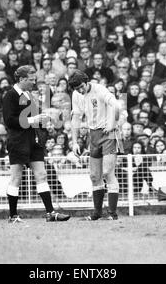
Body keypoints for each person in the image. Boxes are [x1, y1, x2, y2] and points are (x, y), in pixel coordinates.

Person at [2, 65, 70, 223]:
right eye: (31, 80)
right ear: (21, 79)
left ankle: (50, 213)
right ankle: (12, 215)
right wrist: (33, 119)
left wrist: (44, 122)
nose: (33, 83)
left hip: (33, 141)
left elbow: (34, 117)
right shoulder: (10, 96)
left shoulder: (28, 95)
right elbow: (9, 121)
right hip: (18, 142)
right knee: (16, 178)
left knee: (42, 175)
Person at [69, 70, 123, 220]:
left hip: (108, 134)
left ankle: (112, 213)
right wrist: (74, 142)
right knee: (94, 176)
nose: (80, 90)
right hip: (93, 134)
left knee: (107, 172)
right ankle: (97, 213)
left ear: (86, 82)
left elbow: (117, 106)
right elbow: (76, 118)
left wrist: (112, 124)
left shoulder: (100, 90)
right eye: (76, 89)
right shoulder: (76, 95)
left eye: (81, 87)